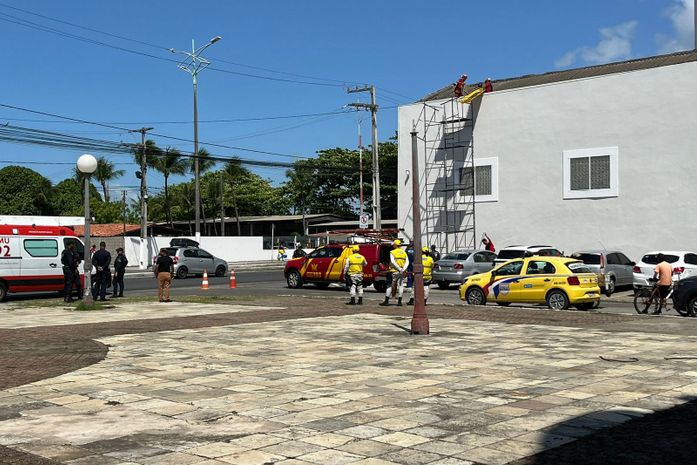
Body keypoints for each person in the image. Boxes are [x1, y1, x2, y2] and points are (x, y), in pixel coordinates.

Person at [380, 239, 410, 306]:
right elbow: (407, 262)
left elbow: (393, 262)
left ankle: (386, 301)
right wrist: (403, 269)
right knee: (401, 285)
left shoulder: (392, 252)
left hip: (394, 271)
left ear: (395, 245)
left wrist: (399, 269)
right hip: (402, 272)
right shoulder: (404, 252)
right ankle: (399, 302)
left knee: (389, 285)